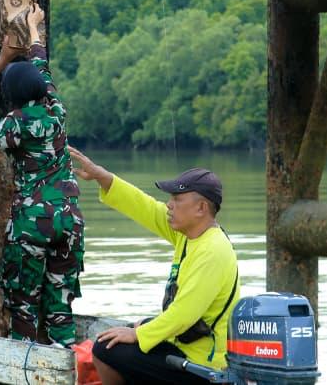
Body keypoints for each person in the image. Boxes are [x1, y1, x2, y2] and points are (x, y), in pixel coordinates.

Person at [0, 7, 84, 346]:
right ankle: (66, 363)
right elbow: (41, 66)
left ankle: (25, 369)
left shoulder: (15, 121)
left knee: (23, 303)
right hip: (69, 220)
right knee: (60, 306)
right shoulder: (56, 110)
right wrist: (34, 28)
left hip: (33, 222)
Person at [68, 147, 239, 385]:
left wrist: (137, 334)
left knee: (104, 348)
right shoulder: (189, 233)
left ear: (201, 208)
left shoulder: (213, 251)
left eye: (177, 199)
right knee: (134, 328)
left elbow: (182, 316)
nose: (169, 205)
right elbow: (144, 207)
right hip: (185, 345)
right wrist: (101, 176)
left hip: (202, 366)